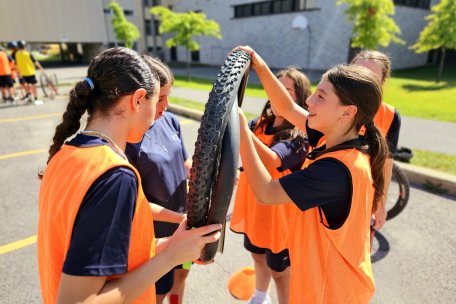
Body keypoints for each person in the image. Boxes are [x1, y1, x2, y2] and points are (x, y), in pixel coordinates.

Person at [37, 47, 221, 304]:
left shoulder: (64, 155)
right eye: (156, 101)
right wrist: (168, 258)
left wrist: (173, 246)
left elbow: (117, 260)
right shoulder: (114, 175)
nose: (159, 113)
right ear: (138, 99)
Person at [232, 46, 388, 303]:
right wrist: (259, 64)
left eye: (321, 97)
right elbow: (287, 107)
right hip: (325, 282)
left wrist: (239, 129)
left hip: (330, 291)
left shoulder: (336, 170)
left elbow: (266, 191)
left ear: (347, 111)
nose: (309, 101)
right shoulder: (336, 135)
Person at [230, 67, 311, 304]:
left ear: (298, 99)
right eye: (275, 89)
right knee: (257, 257)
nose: (277, 95)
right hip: (254, 207)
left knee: (279, 271)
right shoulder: (260, 124)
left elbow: (272, 160)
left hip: (279, 217)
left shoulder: (300, 136)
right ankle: (260, 297)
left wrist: (242, 128)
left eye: (286, 91)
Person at [125, 55, 192, 304]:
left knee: (181, 277)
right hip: (156, 233)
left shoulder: (170, 120)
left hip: (183, 224)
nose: (166, 104)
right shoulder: (129, 138)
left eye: (168, 96)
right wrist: (179, 220)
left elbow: (183, 161)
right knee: (158, 291)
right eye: (161, 98)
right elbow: (136, 202)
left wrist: (202, 171)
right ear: (141, 97)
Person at [351, 50, 401, 230]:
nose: (361, 81)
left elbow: (386, 164)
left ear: (381, 82)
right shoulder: (330, 102)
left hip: (363, 198)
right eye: (357, 73)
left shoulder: (390, 116)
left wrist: (381, 204)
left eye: (370, 76)